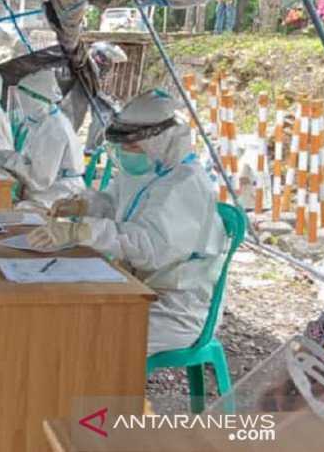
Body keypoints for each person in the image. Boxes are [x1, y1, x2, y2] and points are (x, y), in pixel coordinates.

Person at [27, 89, 227, 355]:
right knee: (67, 318)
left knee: (90, 341)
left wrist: (82, 231)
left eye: (132, 145)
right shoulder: (147, 170)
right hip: (137, 287)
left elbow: (151, 249)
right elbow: (114, 204)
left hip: (176, 306)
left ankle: (98, 395)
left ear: (162, 141)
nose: (125, 152)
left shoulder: (185, 184)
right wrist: (83, 205)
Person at [0, 70, 85, 210]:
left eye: (25, 99)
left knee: (6, 212)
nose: (22, 103)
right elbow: (29, 160)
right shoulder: (40, 121)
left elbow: (40, 178)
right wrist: (2, 156)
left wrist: (8, 161)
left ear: (37, 98)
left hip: (58, 194)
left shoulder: (53, 128)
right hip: (47, 191)